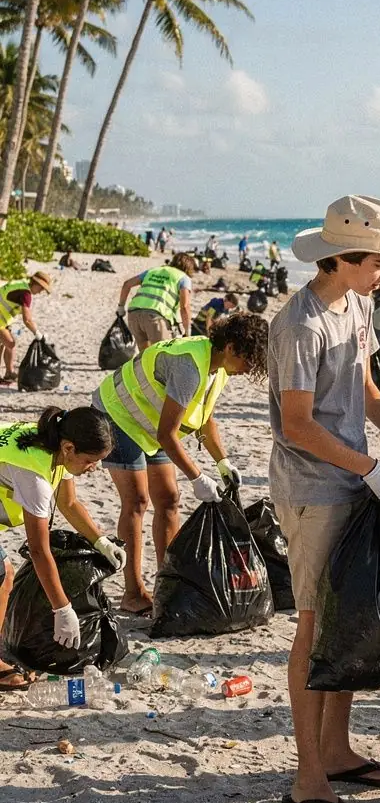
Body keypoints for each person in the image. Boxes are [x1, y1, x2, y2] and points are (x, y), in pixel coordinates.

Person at [269, 194, 380, 803]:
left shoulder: (359, 305)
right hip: (313, 488)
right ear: (344, 259)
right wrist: (368, 469)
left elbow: (362, 386)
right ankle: (307, 775)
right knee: (313, 625)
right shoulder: (300, 324)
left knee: (349, 615)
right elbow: (300, 425)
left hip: (354, 479)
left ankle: (336, 749)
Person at [92, 312, 267, 615]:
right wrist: (198, 477)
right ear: (231, 347)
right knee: (136, 501)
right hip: (117, 415)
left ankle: (168, 582)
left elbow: (204, 415)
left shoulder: (218, 367)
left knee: (170, 500)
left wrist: (222, 461)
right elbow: (167, 434)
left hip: (149, 424)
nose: (249, 368)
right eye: (248, 360)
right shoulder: (190, 366)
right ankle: (133, 593)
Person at [0, 407, 125, 691]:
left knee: (4, 577)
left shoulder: (56, 444)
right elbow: (39, 550)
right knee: (3, 575)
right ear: (70, 448)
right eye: (91, 461)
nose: (93, 469)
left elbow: (69, 504)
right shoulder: (34, 476)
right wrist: (62, 608)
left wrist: (100, 541)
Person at [116, 253, 195, 351]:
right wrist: (187, 331)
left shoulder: (153, 271)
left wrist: (121, 307)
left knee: (145, 355)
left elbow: (127, 284)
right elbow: (185, 307)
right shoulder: (183, 278)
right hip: (155, 317)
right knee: (162, 354)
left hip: (134, 314)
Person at [0, 270, 52, 386]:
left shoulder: (22, 284)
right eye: (41, 288)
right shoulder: (25, 294)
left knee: (3, 344)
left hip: (2, 320)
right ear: (36, 283)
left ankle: (9, 373)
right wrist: (37, 333)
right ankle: (9, 373)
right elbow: (27, 320)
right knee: (11, 343)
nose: (41, 291)